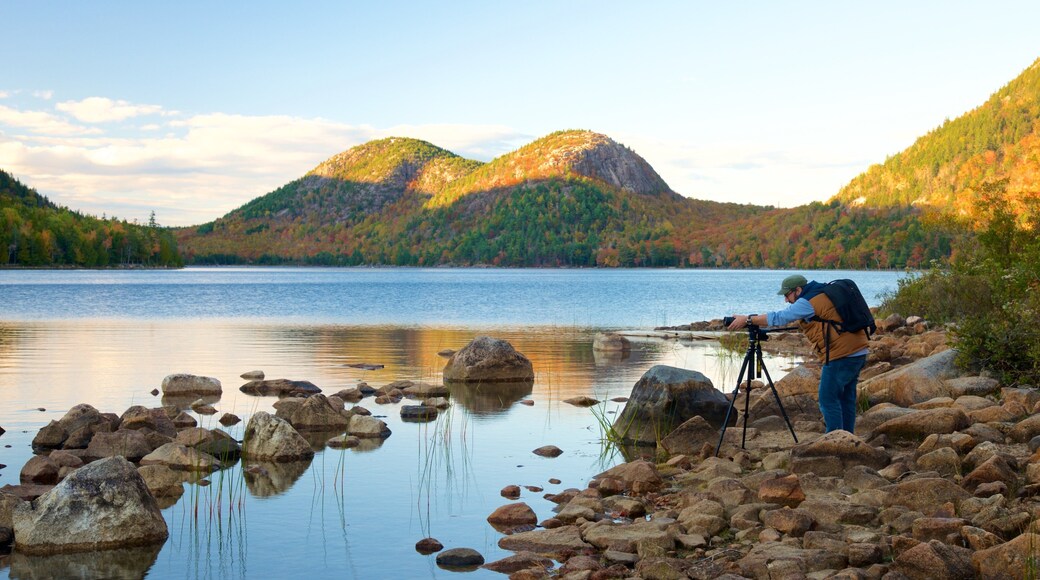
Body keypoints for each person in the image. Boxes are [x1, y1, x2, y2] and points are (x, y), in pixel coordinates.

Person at [726, 274, 868, 433]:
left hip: (841, 355)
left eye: (787, 295)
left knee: (827, 399)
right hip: (859, 349)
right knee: (846, 398)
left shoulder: (807, 302)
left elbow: (780, 317)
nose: (786, 300)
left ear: (798, 290)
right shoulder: (822, 292)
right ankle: (847, 437)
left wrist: (748, 319)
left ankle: (835, 439)